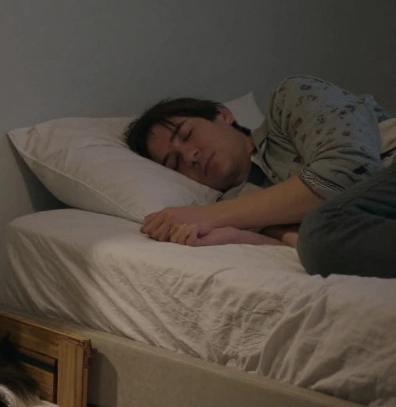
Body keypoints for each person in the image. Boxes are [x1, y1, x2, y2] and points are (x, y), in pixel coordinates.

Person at [122, 75, 396, 278]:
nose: (190, 155)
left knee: (319, 232)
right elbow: (315, 245)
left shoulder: (288, 101)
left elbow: (350, 170)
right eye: (175, 162)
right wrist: (236, 236)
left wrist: (207, 215)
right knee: (319, 239)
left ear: (223, 115)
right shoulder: (244, 209)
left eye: (186, 134)